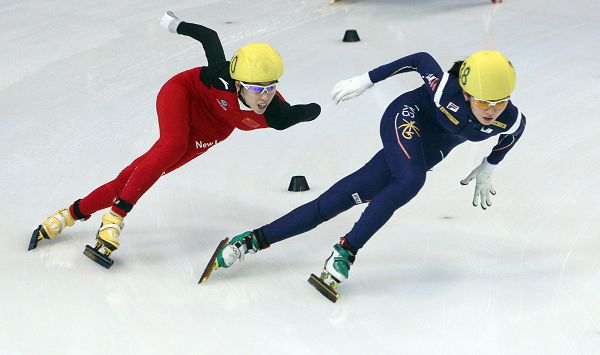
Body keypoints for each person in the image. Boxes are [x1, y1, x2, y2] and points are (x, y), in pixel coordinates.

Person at [212, 50, 526, 296]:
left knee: (336, 201)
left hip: (427, 151)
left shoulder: (508, 119)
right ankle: (346, 250)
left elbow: (514, 132)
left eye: (500, 102)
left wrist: (490, 166)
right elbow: (420, 60)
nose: (491, 109)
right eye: (484, 101)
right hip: (406, 118)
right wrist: (367, 79)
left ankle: (251, 240)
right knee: (412, 179)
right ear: (468, 93)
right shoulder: (445, 89)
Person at [29, 11, 321, 268]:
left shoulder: (277, 115)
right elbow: (210, 37)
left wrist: (316, 109)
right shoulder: (219, 76)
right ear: (237, 82)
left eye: (271, 87)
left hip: (211, 131)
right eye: (256, 89)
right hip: (182, 95)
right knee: (172, 145)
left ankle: (71, 213)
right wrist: (174, 24)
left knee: (138, 174)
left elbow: (307, 112)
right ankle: (114, 218)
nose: (265, 96)